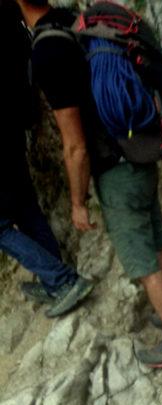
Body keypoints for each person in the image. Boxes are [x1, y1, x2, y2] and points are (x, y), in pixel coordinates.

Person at [17, 0, 162, 367]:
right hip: (137, 149)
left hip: (114, 170)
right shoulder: (74, 20)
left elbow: (75, 147)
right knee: (160, 241)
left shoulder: (48, 50)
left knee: (142, 262)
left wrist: (78, 202)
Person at [0, 1, 93, 317]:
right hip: (13, 127)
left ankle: (63, 280)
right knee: (25, 207)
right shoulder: (11, 16)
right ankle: (55, 276)